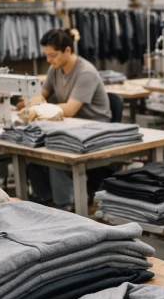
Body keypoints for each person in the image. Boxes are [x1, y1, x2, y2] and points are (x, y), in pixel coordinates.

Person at [25, 28, 111, 210]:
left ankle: (65, 205)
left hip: (94, 127)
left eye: (53, 55)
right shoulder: (55, 68)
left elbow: (71, 109)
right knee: (31, 150)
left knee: (57, 154)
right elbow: (38, 94)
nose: (49, 60)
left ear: (68, 51)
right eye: (47, 55)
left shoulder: (85, 72)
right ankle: (44, 199)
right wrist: (35, 102)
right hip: (71, 125)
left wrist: (39, 107)